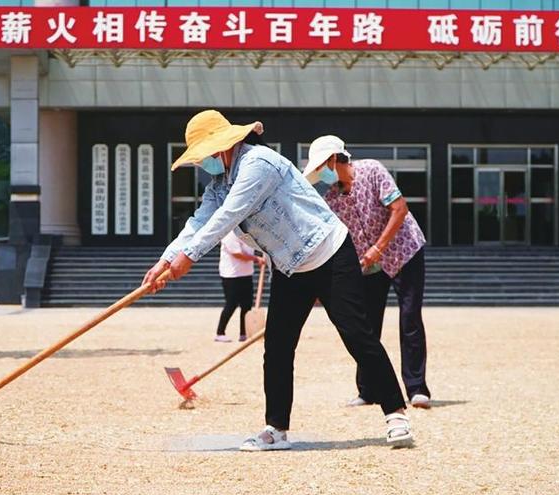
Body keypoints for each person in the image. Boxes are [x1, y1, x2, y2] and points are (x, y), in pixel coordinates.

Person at [142, 110, 414, 450]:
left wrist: (189, 257)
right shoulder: (218, 183)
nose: (203, 164)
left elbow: (230, 215)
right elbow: (199, 221)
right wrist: (166, 259)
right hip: (289, 267)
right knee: (278, 347)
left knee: (357, 333)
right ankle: (276, 428)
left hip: (329, 252)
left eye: (205, 155)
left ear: (224, 146)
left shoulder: (259, 163)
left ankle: (396, 413)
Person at [303, 135, 432, 409]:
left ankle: (417, 388)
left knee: (409, 318)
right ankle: (369, 389)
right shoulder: (332, 199)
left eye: (320, 167)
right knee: (366, 323)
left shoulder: (372, 170)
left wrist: (379, 246)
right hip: (369, 264)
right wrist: (320, 284)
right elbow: (332, 240)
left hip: (405, 250)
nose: (320, 175)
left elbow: (399, 208)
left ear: (333, 160)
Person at [216, 231, 264, 342]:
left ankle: (244, 333)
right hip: (231, 274)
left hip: (246, 273)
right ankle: (220, 332)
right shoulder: (230, 234)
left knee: (247, 305)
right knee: (231, 304)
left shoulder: (248, 235)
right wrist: (256, 259)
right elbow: (237, 253)